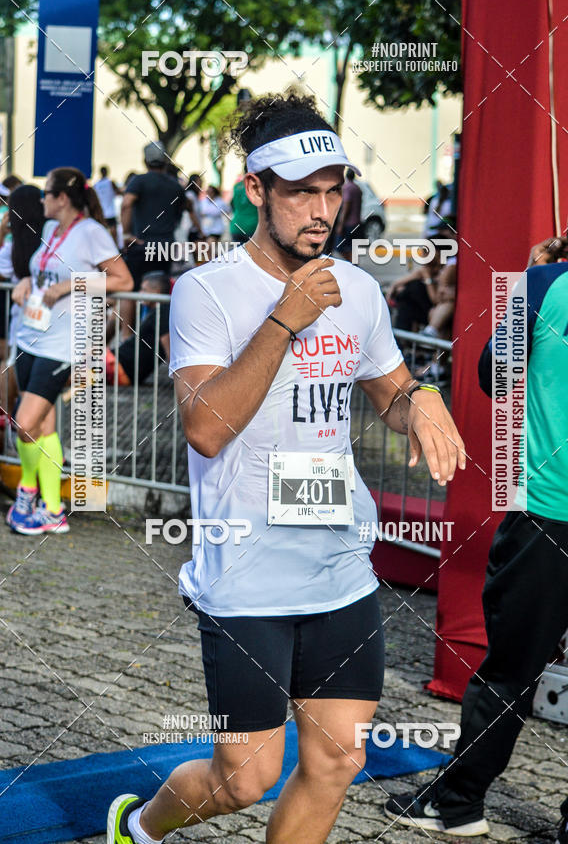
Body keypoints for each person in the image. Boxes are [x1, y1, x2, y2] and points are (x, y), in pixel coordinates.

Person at [107, 92, 465, 844]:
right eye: (301, 192)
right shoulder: (206, 291)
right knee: (244, 778)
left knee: (336, 761)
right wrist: (284, 319)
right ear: (256, 190)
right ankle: (137, 826)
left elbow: (391, 393)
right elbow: (206, 429)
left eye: (333, 191)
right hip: (248, 572)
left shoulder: (357, 289)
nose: (322, 211)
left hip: (340, 565)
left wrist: (424, 400)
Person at [385, 160, 568, 844]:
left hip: (551, 518)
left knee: (509, 668)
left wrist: (537, 278)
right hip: (564, 514)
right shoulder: (548, 283)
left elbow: (492, 376)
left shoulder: (543, 284)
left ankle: (460, 802)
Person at [7, 167, 133, 534]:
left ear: (62, 198)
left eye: (46, 193)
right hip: (31, 335)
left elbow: (124, 280)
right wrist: (26, 280)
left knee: (24, 424)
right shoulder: (49, 229)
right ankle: (51, 509)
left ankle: (27, 492)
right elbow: (43, 272)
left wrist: (69, 287)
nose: (41, 199)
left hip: (63, 345)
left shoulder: (91, 232)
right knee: (43, 427)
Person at [119, 142, 199, 336]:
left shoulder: (139, 181)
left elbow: (126, 203)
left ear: (145, 161)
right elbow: (189, 207)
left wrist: (127, 234)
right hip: (165, 248)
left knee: (130, 290)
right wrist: (201, 232)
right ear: (165, 160)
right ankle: (158, 337)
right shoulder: (175, 186)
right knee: (160, 292)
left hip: (141, 245)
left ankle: (127, 338)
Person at [0, 185, 45, 423]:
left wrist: (1, 231)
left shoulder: (13, 246)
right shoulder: (51, 239)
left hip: (22, 317)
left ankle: (8, 420)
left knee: (12, 365)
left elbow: (2, 272)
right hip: (50, 317)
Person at [105, 272, 170, 386]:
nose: (140, 293)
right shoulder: (156, 311)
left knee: (73, 370)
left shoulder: (164, 311)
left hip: (118, 367)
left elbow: (169, 349)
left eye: (144, 290)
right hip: (117, 364)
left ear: (156, 292)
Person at [334, 168, 363, 261]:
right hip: (357, 222)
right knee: (352, 247)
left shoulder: (347, 188)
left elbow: (346, 207)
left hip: (348, 224)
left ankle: (351, 263)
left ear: (346, 176)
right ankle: (354, 264)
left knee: (339, 246)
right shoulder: (357, 188)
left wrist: (340, 224)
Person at [94, 166, 122, 243]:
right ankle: (115, 247)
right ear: (107, 172)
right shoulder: (110, 183)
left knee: (103, 235)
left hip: (102, 213)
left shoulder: (96, 185)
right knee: (114, 235)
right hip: (111, 212)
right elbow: (119, 193)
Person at [229, 173, 258, 243]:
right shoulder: (256, 186)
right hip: (252, 227)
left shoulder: (237, 186)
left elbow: (232, 204)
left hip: (236, 226)